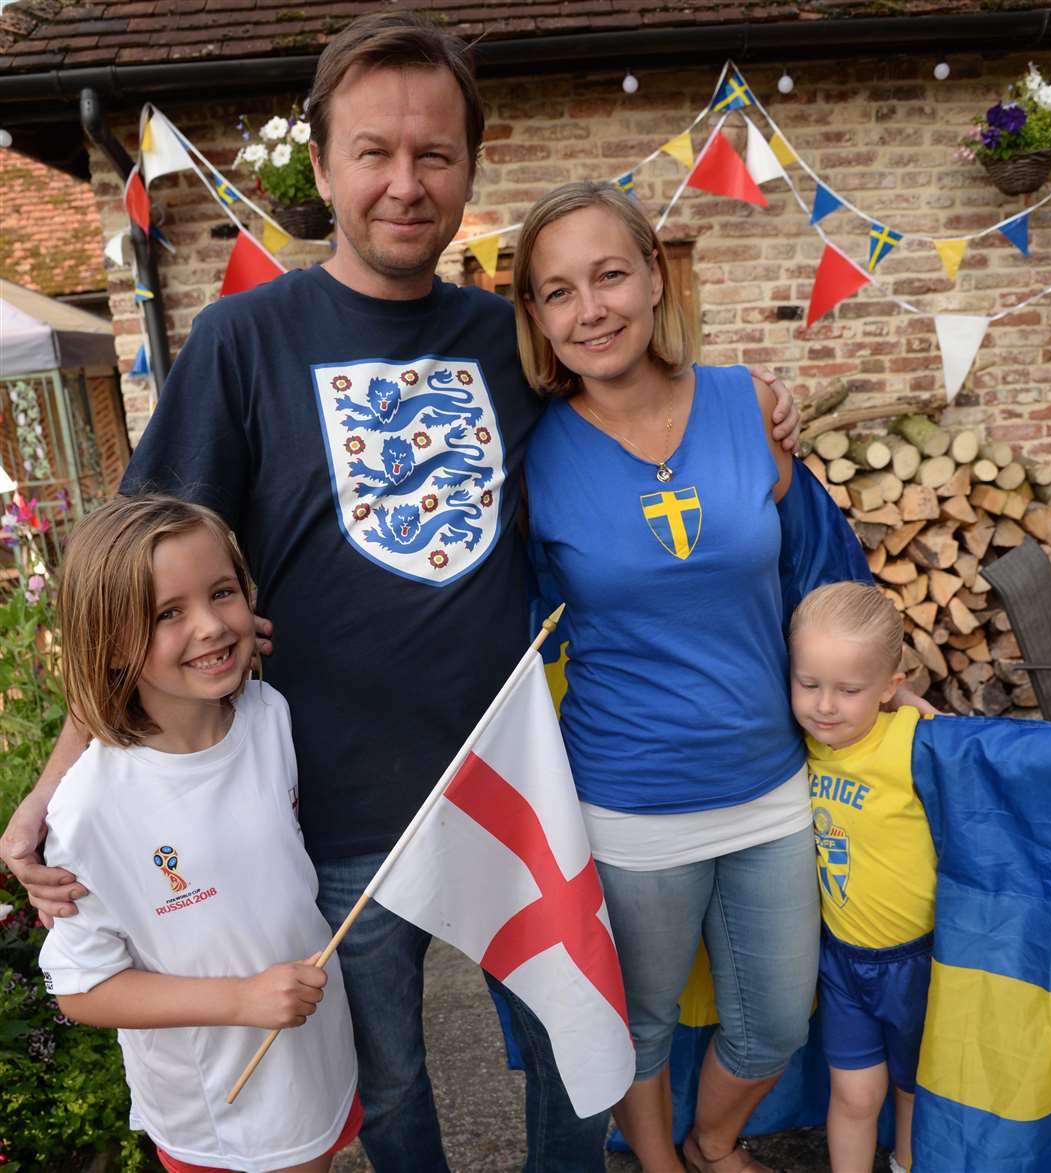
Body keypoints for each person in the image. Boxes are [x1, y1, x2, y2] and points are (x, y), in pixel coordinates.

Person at [0, 14, 799, 1172]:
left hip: (510, 786)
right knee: (392, 1089)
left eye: (435, 154)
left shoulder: (511, 340)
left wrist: (741, 399)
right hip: (325, 812)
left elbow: (634, 395)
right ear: (321, 166)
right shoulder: (237, 339)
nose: (405, 182)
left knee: (572, 1048)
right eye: (374, 152)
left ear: (471, 166)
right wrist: (52, 783)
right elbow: (130, 583)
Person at [515, 181, 928, 1173]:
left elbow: (821, 569)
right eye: (558, 292)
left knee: (779, 1012)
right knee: (643, 1016)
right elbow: (509, 625)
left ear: (656, 277)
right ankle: (661, 1165)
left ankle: (713, 1137)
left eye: (611, 274)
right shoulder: (529, 456)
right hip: (627, 800)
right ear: (535, 317)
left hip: (771, 786)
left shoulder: (749, 405)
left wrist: (877, 682)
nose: (592, 309)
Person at [38, 495, 361, 1173]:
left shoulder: (269, 713)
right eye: (167, 613)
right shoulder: (92, 805)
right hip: (217, 1108)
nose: (213, 626)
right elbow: (81, 986)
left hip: (310, 1058)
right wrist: (240, 1000)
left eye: (222, 592)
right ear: (111, 639)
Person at [788, 582, 935, 1173]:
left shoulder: (916, 741)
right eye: (809, 684)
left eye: (849, 691)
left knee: (912, 1088)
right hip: (842, 960)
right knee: (854, 1094)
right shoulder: (793, 743)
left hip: (918, 960)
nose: (826, 705)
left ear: (889, 688)